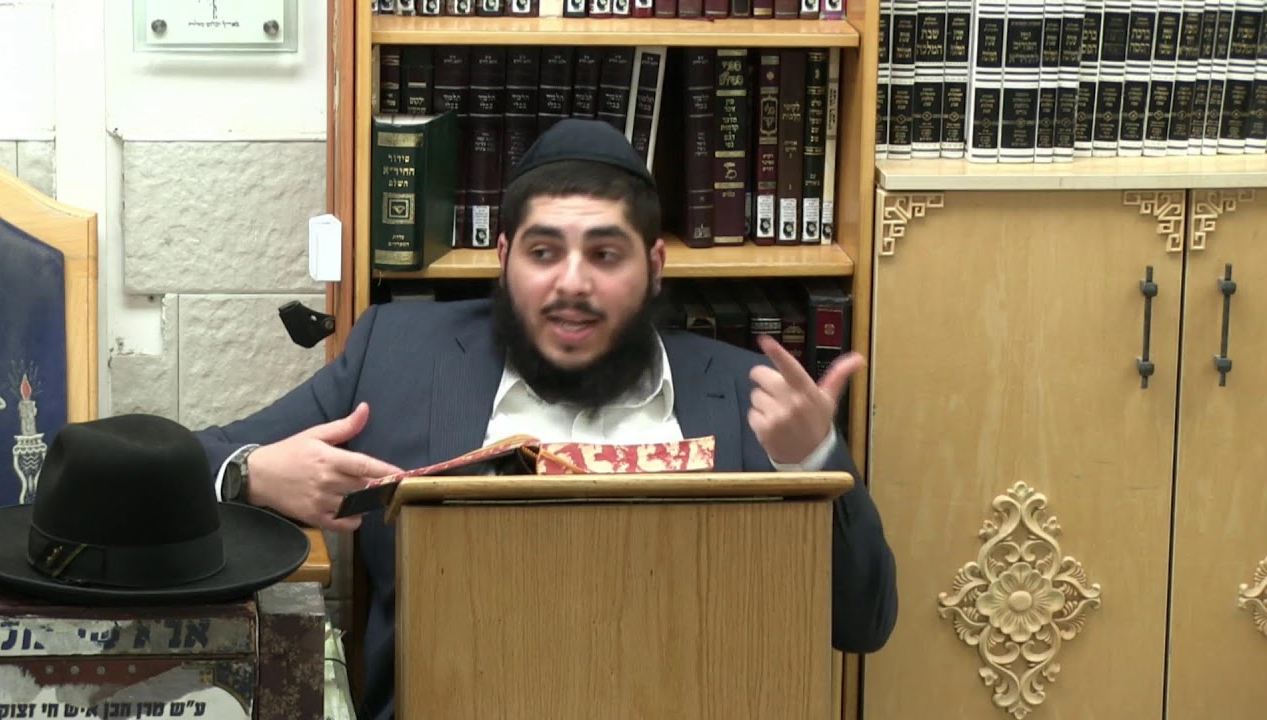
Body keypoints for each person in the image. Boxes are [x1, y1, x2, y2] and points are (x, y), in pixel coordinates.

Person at [195, 118, 897, 720]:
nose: (572, 283)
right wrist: (251, 473)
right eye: (543, 253)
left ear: (654, 266)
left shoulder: (749, 397)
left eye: (605, 254)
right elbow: (192, 459)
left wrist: (814, 460)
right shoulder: (398, 360)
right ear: (504, 259)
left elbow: (863, 623)